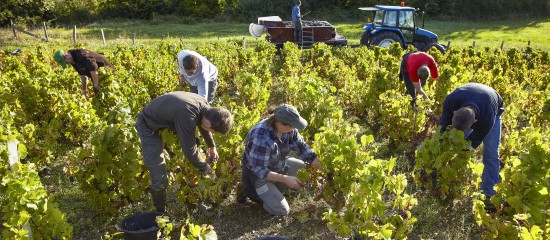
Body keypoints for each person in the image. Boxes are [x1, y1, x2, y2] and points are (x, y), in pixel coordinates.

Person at [135, 91, 232, 212]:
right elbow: (189, 150)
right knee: (159, 173)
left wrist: (212, 146)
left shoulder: (206, 108)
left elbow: (203, 126)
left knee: (195, 146)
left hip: (166, 121)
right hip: (148, 125)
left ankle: (195, 195)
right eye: (213, 131)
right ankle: (159, 212)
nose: (212, 132)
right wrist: (203, 166)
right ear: (207, 123)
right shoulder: (187, 115)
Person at [238, 104, 322, 216]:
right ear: (280, 124)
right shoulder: (262, 137)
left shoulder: (289, 130)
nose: (294, 129)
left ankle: (275, 188)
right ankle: (247, 189)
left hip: (277, 165)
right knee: (282, 210)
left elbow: (305, 152)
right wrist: (286, 179)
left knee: (304, 170)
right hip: (257, 177)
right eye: (292, 126)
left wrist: (328, 170)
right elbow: (260, 170)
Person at [439, 83, 504, 211]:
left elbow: (471, 145)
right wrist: (442, 148)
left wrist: (460, 156)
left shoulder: (487, 119)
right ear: (454, 112)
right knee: (455, 141)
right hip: (469, 93)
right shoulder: (451, 100)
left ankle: (488, 194)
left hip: (493, 106)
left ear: (475, 122)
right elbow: (443, 127)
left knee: (491, 153)